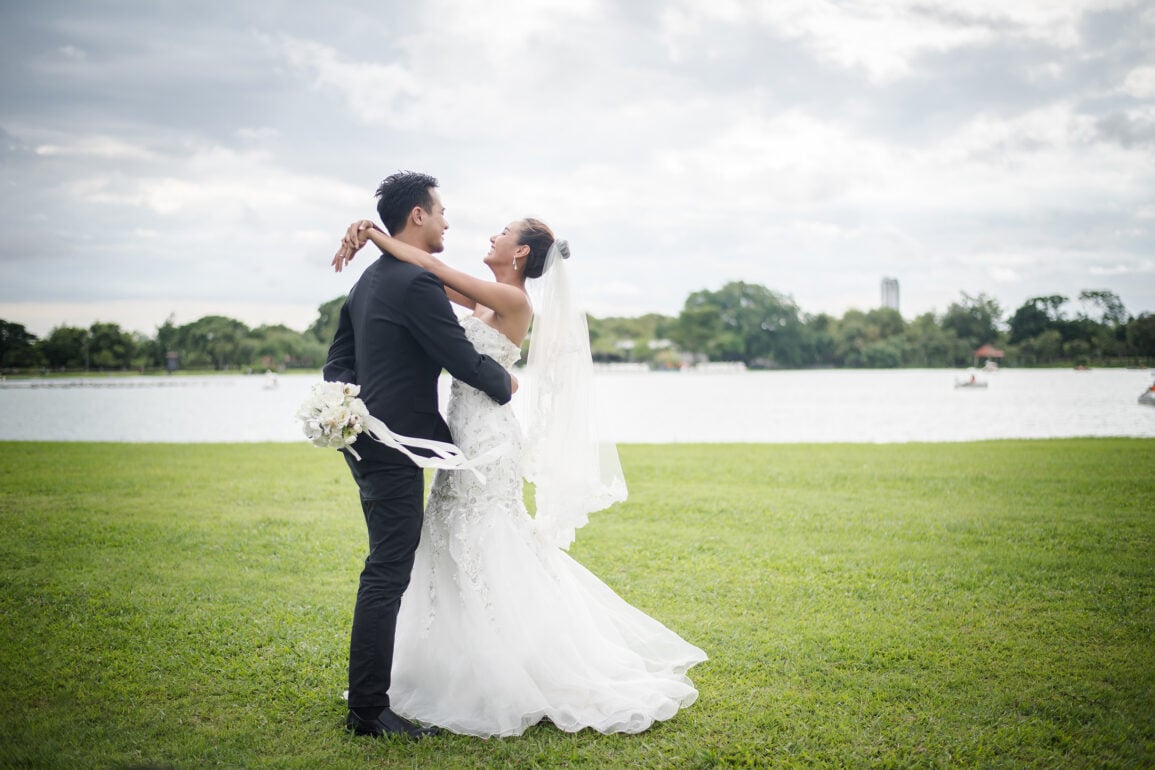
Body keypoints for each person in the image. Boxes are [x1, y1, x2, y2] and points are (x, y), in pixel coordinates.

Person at [331, 215, 706, 737]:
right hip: (459, 439)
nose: (491, 236)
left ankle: (521, 670)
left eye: (503, 232)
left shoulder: (514, 301)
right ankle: (463, 667)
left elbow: (429, 265)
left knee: (488, 543)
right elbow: (419, 275)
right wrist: (378, 243)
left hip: (488, 439)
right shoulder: (483, 296)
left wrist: (373, 234)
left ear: (522, 254)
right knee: (449, 543)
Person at [323, 172, 517, 739]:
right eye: (440, 211)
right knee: (387, 569)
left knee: (387, 564)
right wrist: (505, 385)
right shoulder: (413, 282)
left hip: (366, 440)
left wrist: (346, 408)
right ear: (417, 217)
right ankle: (368, 710)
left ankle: (371, 700)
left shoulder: (368, 280)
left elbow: (338, 359)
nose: (447, 221)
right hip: (394, 444)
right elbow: (459, 358)